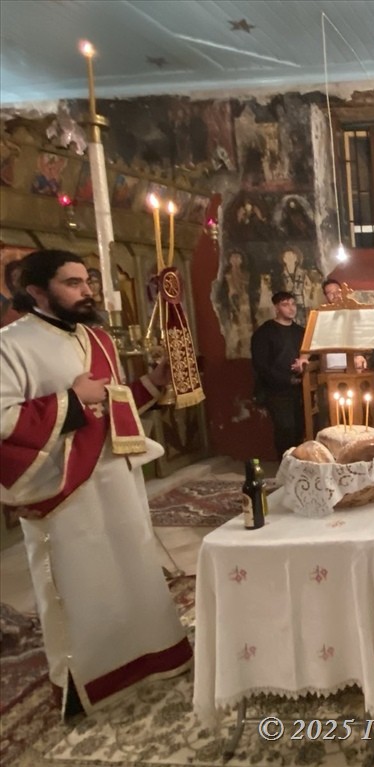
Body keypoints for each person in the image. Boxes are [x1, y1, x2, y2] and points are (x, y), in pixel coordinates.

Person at [0, 250, 192, 718]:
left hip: (117, 479)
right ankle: (85, 681)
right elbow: (3, 421)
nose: (87, 291)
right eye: (72, 284)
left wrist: (153, 382)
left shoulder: (98, 338)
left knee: (131, 566)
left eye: (87, 281)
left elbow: (114, 405)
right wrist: (72, 399)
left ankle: (152, 654)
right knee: (79, 585)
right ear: (37, 291)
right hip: (61, 488)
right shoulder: (10, 345)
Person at [250, 291, 306, 458]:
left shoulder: (301, 332)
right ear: (276, 308)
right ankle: (285, 463)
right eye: (285, 304)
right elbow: (261, 365)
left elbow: (309, 355)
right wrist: (286, 379)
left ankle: (298, 464)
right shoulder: (264, 333)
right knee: (285, 428)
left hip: (300, 388)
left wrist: (304, 364)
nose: (291, 308)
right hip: (276, 391)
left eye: (293, 304)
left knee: (299, 428)